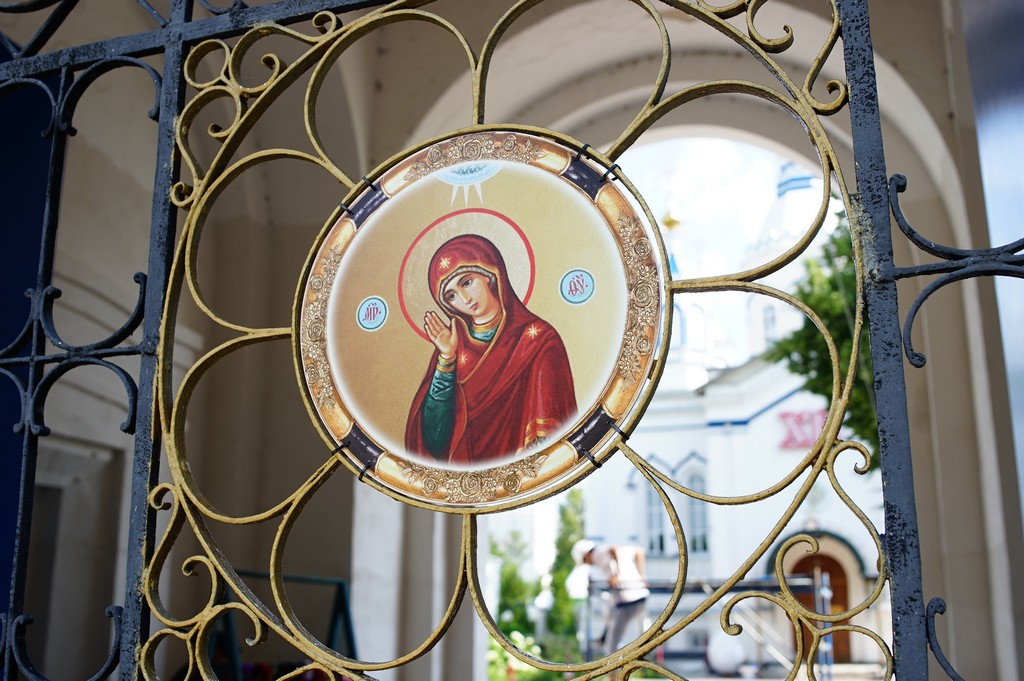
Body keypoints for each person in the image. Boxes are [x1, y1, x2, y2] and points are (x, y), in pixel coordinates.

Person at [405, 234, 577, 465]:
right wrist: (446, 358)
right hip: (467, 474)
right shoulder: (452, 347)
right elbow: (434, 439)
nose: (465, 298)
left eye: (467, 282)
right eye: (451, 296)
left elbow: (550, 434)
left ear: (490, 275)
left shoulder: (538, 340)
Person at [571, 539, 650, 659]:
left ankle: (614, 669)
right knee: (609, 610)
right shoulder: (606, 555)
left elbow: (614, 549)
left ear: (586, 555)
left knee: (611, 647)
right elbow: (639, 552)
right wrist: (642, 576)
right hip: (637, 597)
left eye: (585, 561)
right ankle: (604, 636)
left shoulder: (598, 553)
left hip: (628, 602)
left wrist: (617, 574)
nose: (588, 564)